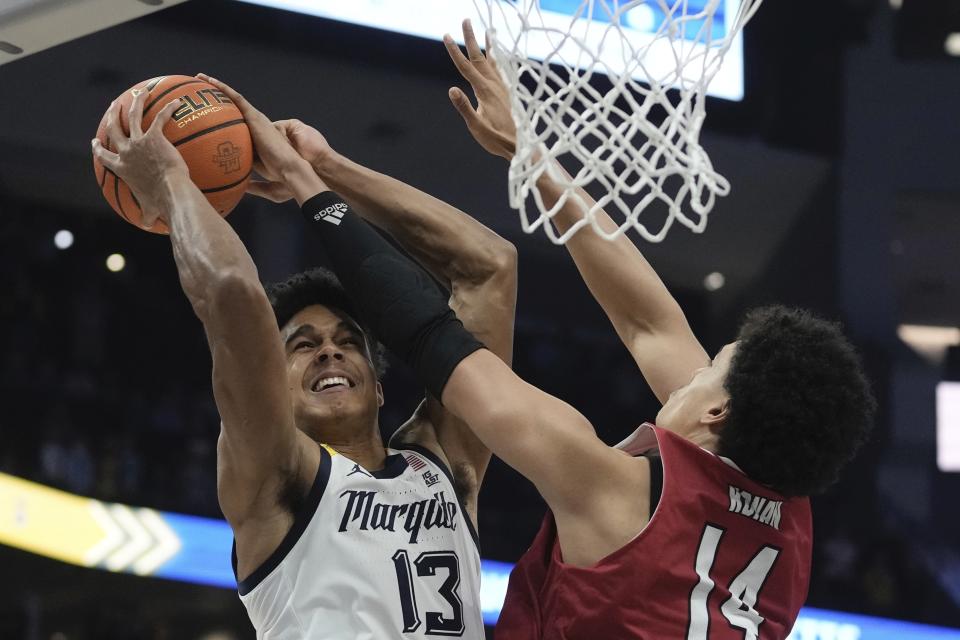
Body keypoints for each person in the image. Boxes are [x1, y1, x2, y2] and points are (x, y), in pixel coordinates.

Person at [238, 21, 874, 640]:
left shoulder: (610, 493)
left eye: (710, 367)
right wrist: (530, 153)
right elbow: (648, 322)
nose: (695, 365)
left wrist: (307, 184)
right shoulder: (787, 511)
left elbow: (432, 336)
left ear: (718, 409)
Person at [91, 78, 517, 639]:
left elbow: (491, 267)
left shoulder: (444, 461)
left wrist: (319, 168)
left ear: (380, 385)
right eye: (303, 345)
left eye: (347, 341)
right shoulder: (277, 474)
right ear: (275, 389)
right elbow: (231, 293)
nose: (329, 351)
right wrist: (172, 181)